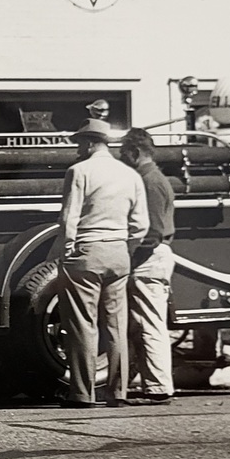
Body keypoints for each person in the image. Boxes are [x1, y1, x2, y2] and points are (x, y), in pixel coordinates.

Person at [55, 111, 148, 408]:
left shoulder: (79, 171)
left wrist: (68, 249)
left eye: (80, 143)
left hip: (86, 252)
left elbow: (69, 217)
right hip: (119, 252)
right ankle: (117, 391)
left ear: (91, 142)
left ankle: (82, 392)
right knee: (116, 324)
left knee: (83, 324)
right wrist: (127, 245)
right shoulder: (130, 175)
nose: (77, 149)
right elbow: (141, 224)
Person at [119, 127, 176, 405]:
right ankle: (152, 384)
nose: (121, 159)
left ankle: (158, 387)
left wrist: (128, 256)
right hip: (155, 256)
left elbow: (152, 233)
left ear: (135, 152)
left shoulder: (148, 182)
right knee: (146, 322)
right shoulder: (154, 178)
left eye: (124, 153)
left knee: (149, 323)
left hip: (148, 257)